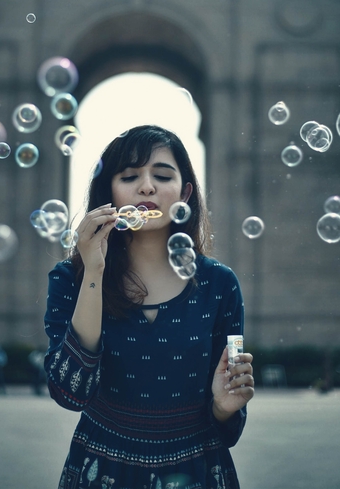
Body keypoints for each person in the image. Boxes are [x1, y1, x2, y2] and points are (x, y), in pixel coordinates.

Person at [44, 125, 254, 489]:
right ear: (108, 191)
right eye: (129, 176)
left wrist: (224, 405)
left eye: (161, 175)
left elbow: (230, 422)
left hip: (198, 469)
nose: (146, 187)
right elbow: (70, 393)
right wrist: (93, 270)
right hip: (101, 469)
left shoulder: (221, 284)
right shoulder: (69, 278)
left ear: (185, 192)